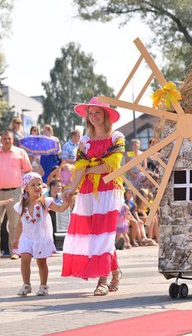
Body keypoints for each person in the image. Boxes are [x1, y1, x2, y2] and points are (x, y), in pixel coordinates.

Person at [61, 97, 125, 296]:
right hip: (88, 192)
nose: (94, 116)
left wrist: (88, 169)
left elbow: (111, 165)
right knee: (94, 236)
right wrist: (71, 188)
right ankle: (116, 272)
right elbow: (79, 168)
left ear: (106, 115)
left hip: (110, 189)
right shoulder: (85, 140)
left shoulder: (117, 137)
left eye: (98, 112)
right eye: (91, 113)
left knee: (104, 234)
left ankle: (103, 280)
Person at [13, 172, 72, 296]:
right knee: (24, 259)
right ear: (26, 188)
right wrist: (16, 238)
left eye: (39, 184)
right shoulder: (21, 205)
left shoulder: (45, 202)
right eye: (33, 185)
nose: (37, 187)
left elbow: (60, 209)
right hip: (26, 238)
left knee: (41, 262)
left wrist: (67, 202)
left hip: (40, 238)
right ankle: (26, 285)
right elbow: (20, 224)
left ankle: (43, 285)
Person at [0, 130, 32, 259]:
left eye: (9, 139)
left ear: (13, 140)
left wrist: (27, 190)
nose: (7, 141)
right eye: (5, 138)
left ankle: (14, 251)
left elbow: (28, 171)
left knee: (14, 224)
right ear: (1, 140)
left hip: (15, 191)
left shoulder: (20, 153)